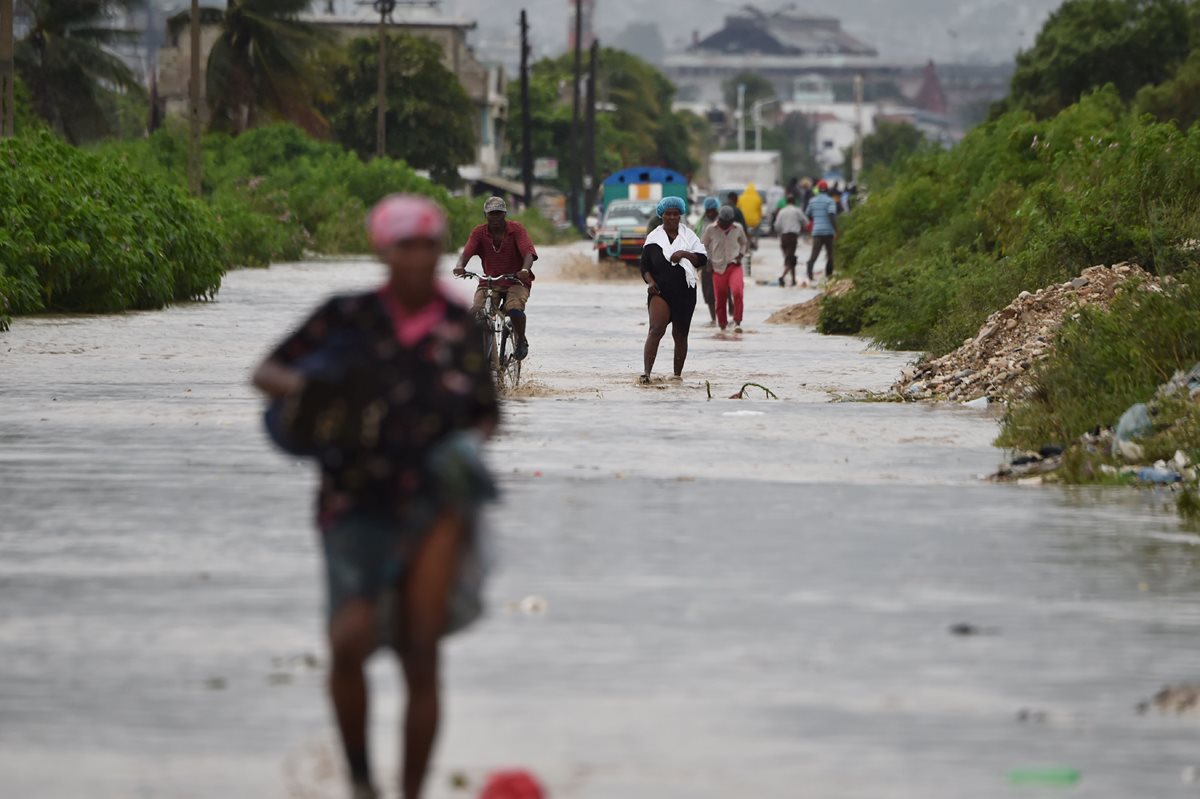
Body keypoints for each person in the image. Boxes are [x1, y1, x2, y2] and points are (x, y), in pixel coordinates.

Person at [253, 194, 500, 799]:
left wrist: (463, 452)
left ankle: (411, 792)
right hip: (352, 499)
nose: (416, 259)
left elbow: (487, 414)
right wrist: (315, 391)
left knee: (421, 651)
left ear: (438, 251)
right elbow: (267, 372)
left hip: (433, 503)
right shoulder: (345, 316)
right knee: (347, 642)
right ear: (382, 251)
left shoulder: (457, 325)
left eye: (426, 247)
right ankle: (362, 781)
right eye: (404, 247)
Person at [453, 196, 537, 360]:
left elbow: (528, 252)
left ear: (504, 214)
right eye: (492, 214)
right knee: (476, 311)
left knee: (514, 309)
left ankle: (520, 340)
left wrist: (525, 269)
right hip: (490, 281)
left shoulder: (516, 229)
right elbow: (467, 252)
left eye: (499, 213)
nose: (495, 217)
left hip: (516, 281)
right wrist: (459, 266)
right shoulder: (479, 232)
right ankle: (476, 348)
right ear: (486, 215)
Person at [640, 196, 708, 382]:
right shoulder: (653, 238)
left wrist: (684, 254)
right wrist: (651, 283)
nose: (672, 217)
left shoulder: (689, 236)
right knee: (656, 329)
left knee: (680, 334)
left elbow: (702, 259)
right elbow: (644, 267)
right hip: (660, 292)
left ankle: (677, 376)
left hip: (685, 294)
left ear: (680, 215)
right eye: (668, 214)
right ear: (661, 215)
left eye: (675, 214)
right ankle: (646, 374)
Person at [701, 205, 749, 333]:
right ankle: (722, 326)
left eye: (728, 222)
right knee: (720, 299)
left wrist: (741, 254)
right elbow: (703, 245)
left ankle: (737, 321)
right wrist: (708, 260)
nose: (725, 225)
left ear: (732, 221)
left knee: (738, 292)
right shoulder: (711, 229)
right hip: (717, 268)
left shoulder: (738, 228)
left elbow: (744, 242)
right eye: (723, 222)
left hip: (734, 265)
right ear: (719, 220)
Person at [805, 180, 839, 281]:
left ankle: (810, 273)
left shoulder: (812, 201)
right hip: (828, 232)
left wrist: (816, 219)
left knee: (814, 254)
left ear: (818, 190)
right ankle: (829, 276)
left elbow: (807, 214)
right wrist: (836, 230)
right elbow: (831, 215)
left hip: (817, 231)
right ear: (827, 189)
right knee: (830, 254)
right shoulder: (830, 201)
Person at [694, 197, 721, 325]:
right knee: (709, 292)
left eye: (713, 210)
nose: (710, 213)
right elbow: (699, 242)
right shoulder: (700, 223)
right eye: (708, 211)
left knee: (723, 291)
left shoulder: (723, 221)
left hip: (722, 262)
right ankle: (714, 319)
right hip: (706, 262)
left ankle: (724, 317)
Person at [773, 195, 809, 286]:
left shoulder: (782, 211)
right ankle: (782, 277)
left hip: (783, 237)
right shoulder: (797, 211)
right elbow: (805, 222)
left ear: (786, 202)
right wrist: (801, 227)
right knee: (791, 259)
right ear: (794, 202)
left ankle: (793, 280)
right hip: (793, 237)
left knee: (789, 258)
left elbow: (777, 226)